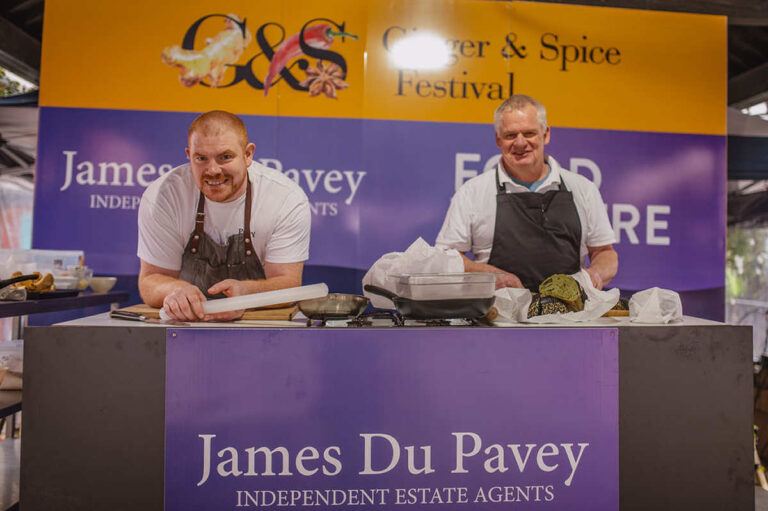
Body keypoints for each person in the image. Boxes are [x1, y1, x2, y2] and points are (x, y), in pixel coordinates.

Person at [137, 110, 311, 321]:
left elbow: (288, 284)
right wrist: (176, 291)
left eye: (225, 157)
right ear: (188, 155)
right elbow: (150, 280)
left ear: (248, 155)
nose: (212, 170)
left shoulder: (285, 198)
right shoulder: (164, 195)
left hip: (260, 329)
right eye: (201, 158)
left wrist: (245, 294)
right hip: (184, 328)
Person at [435, 95, 618, 291]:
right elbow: (447, 256)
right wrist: (486, 275)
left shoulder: (583, 189)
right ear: (498, 139)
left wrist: (595, 274)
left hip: (570, 317)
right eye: (510, 135)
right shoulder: (472, 193)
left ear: (545, 134)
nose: (520, 143)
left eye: (529, 133)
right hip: (497, 316)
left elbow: (605, 252)